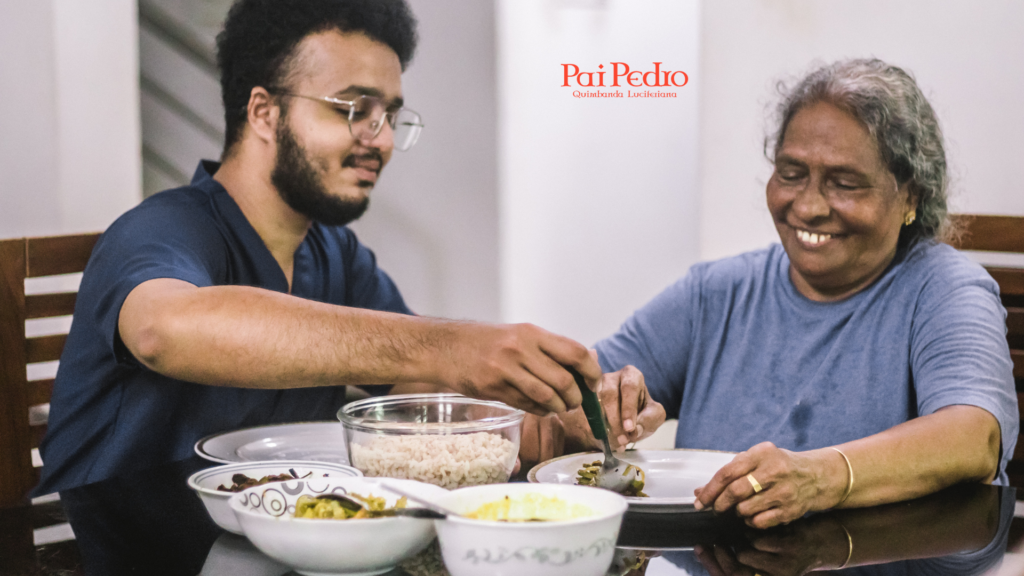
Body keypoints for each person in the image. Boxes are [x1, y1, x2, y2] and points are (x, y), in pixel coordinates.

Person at [34, 0, 658, 497]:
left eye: (390, 115)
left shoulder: (336, 256)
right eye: (354, 109)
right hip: (104, 550)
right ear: (263, 112)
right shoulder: (162, 229)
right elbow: (164, 329)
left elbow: (424, 400)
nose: (380, 139)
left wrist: (552, 428)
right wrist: (450, 344)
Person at [595, 58, 1018, 528]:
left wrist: (820, 476)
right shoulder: (715, 293)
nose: (809, 206)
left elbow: (974, 438)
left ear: (911, 197)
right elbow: (582, 393)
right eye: (792, 174)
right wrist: (607, 406)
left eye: (844, 183)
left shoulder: (944, 290)